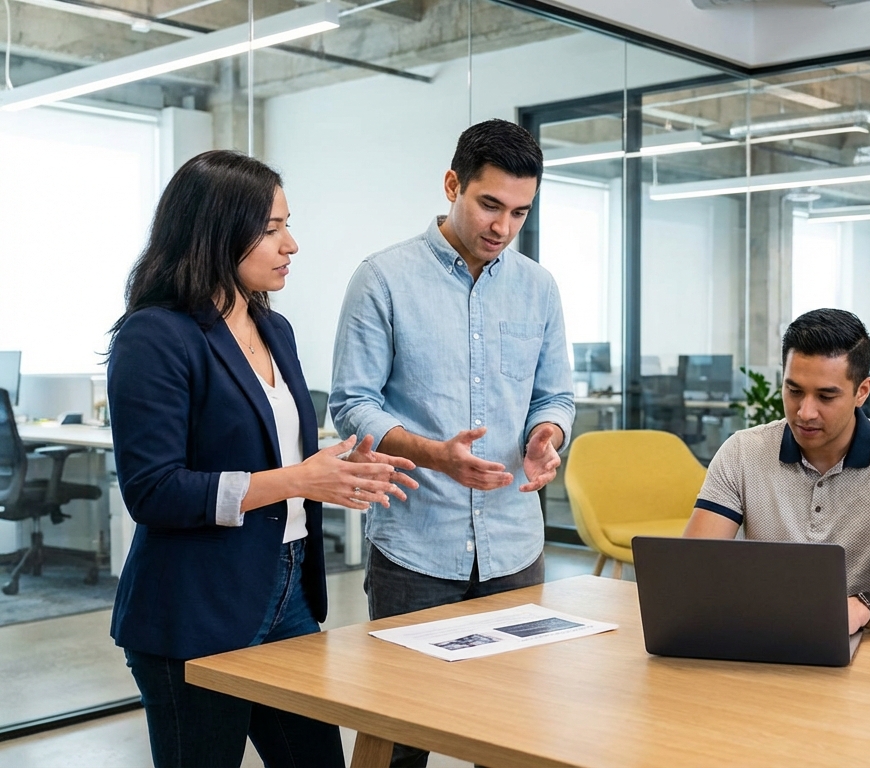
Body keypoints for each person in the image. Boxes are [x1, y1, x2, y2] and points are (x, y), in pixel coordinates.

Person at [106, 150, 418, 767]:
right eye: (272, 229)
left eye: (286, 224)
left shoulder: (275, 330)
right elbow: (154, 492)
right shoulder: (154, 336)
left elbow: (273, 458)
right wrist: (298, 478)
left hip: (288, 592)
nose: (291, 244)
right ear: (217, 232)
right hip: (194, 605)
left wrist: (332, 469)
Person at [330, 119, 573, 766]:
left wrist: (546, 437)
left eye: (520, 212)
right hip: (416, 549)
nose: (503, 226)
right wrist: (433, 453)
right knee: (402, 736)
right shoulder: (382, 280)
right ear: (451, 185)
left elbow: (553, 397)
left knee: (511, 731)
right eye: (489, 204)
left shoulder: (538, 287)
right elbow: (350, 405)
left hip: (514, 548)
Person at [684, 309, 870, 634]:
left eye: (826, 396)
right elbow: (693, 570)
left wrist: (856, 610)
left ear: (862, 391)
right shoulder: (743, 452)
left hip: (864, 642)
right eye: (794, 391)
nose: (805, 412)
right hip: (762, 635)